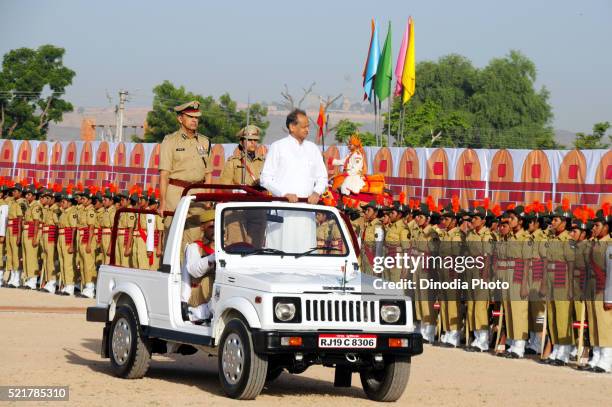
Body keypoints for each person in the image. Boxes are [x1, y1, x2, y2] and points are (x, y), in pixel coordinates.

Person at [260, 108, 327, 204]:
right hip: (282, 210)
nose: (307, 130)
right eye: (304, 127)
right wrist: (284, 194)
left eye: (308, 127)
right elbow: (265, 178)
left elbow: (322, 177)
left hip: (307, 211)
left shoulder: (313, 149)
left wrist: (316, 192)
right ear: (292, 127)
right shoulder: (278, 146)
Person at [181, 210, 216, 323]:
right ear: (202, 227)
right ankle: (197, 314)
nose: (215, 230)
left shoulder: (223, 247)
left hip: (213, 294)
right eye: (212, 226)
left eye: (219, 226)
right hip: (197, 294)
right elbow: (194, 270)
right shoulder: (194, 247)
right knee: (208, 280)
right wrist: (212, 258)